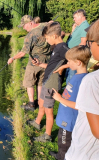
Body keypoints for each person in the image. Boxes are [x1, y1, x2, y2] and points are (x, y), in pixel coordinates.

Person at [64, 19, 99, 160]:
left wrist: (60, 99)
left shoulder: (91, 81)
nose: (89, 47)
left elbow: (96, 131)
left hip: (84, 153)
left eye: (89, 43)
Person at [28, 22, 69, 142]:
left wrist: (62, 68)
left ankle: (47, 135)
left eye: (47, 38)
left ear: (55, 36)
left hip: (52, 82)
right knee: (41, 103)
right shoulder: (56, 47)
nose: (46, 41)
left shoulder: (63, 48)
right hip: (47, 80)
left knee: (48, 110)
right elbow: (51, 65)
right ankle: (37, 122)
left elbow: (75, 60)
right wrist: (39, 64)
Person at [49, 46, 91, 160]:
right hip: (65, 119)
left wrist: (60, 99)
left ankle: (61, 157)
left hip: (69, 122)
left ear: (78, 62)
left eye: (69, 61)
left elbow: (81, 105)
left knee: (64, 145)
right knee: (62, 142)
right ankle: (60, 155)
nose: (68, 63)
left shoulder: (83, 81)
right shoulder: (78, 75)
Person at [7, 15, 51, 111]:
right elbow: (51, 23)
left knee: (29, 82)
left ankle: (31, 104)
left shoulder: (30, 35)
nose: (23, 28)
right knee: (40, 82)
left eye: (24, 25)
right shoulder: (45, 26)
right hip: (46, 61)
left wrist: (12, 58)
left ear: (30, 23)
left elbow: (23, 53)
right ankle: (39, 102)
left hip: (34, 63)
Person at [65, 9, 89, 83]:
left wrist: (74, 54)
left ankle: (71, 90)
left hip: (75, 56)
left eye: (75, 17)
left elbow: (83, 43)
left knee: (72, 75)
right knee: (68, 73)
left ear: (81, 16)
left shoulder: (85, 26)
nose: (73, 19)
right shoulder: (79, 26)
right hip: (71, 54)